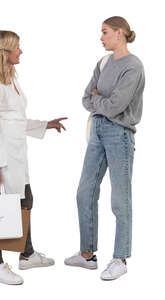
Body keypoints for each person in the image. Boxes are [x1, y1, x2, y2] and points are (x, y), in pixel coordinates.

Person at [0, 30, 67, 285]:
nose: (21, 51)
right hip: (3, 156)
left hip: (16, 154)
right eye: (17, 47)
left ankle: (26, 254)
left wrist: (45, 125)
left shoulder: (11, 79)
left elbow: (15, 121)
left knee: (25, 200)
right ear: (4, 52)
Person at [64, 16, 145, 280]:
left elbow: (115, 106)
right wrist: (100, 101)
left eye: (105, 32)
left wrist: (100, 100)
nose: (101, 37)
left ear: (120, 33)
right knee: (84, 191)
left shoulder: (133, 66)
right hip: (97, 131)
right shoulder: (104, 62)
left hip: (119, 134)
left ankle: (120, 258)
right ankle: (87, 254)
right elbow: (86, 97)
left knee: (120, 199)